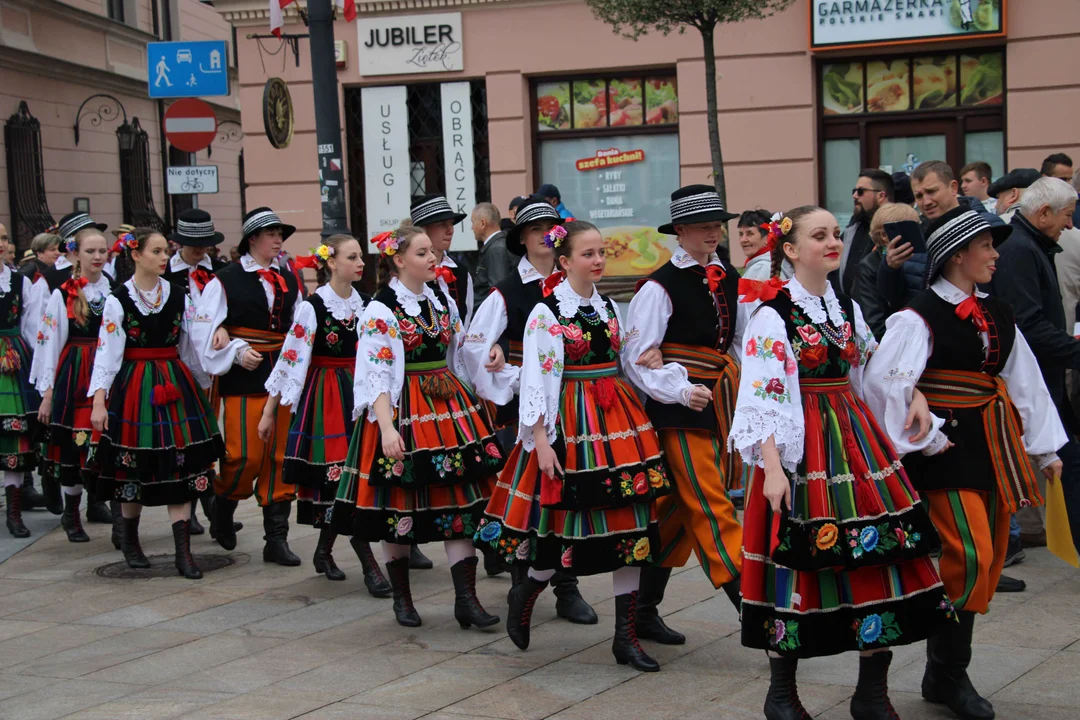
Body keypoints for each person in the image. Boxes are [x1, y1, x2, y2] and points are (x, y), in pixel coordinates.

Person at [730, 205, 954, 720]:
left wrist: (912, 393)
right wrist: (772, 468)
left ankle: (871, 694)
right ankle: (782, 694)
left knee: (876, 556)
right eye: (818, 235)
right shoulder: (774, 312)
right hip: (800, 443)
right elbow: (762, 394)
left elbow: (873, 366)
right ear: (788, 250)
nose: (832, 241)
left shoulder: (845, 306)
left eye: (835, 233)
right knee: (798, 557)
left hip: (853, 437)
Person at [865, 205, 1065, 720]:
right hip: (943, 453)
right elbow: (885, 385)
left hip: (993, 447)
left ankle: (941, 670)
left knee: (991, 559)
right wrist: (925, 434)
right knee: (970, 556)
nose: (996, 256)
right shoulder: (916, 316)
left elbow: (1024, 381)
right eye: (987, 247)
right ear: (957, 256)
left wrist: (1045, 446)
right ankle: (953, 674)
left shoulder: (997, 311)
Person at [476, 219, 671, 671]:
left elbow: (627, 361)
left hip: (617, 421)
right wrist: (541, 441)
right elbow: (538, 380)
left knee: (632, 521)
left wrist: (666, 374)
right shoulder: (547, 312)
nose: (599, 260)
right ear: (564, 262)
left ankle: (625, 638)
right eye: (588, 254)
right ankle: (529, 589)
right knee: (562, 524)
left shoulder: (607, 308)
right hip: (572, 423)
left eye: (602, 252)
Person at [334, 224, 503, 630]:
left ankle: (467, 600)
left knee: (460, 501)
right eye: (423, 252)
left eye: (433, 252)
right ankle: (403, 600)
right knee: (399, 503)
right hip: (402, 407)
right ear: (399, 259)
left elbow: (460, 349)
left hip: (449, 407)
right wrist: (388, 428)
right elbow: (375, 372)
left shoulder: (440, 297)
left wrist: (493, 354)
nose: (433, 259)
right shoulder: (381, 307)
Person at [461, 197, 598, 625]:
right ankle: (524, 580)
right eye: (534, 228)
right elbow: (473, 349)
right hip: (522, 408)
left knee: (568, 494)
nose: (543, 233)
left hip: (573, 408)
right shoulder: (507, 292)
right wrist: (510, 380)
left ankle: (566, 587)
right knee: (531, 498)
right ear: (521, 237)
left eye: (551, 227)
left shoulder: (574, 282)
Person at [622, 184, 746, 646]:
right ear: (680, 230)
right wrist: (677, 388)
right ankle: (752, 608)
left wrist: (744, 392)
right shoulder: (659, 286)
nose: (714, 231)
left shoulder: (727, 276)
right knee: (711, 502)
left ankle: (641, 612)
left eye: (718, 223)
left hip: (719, 401)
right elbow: (637, 355)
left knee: (673, 512)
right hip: (678, 411)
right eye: (704, 224)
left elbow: (738, 342)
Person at [259, 234, 392, 597]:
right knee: (338, 477)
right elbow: (290, 357)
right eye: (352, 257)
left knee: (355, 478)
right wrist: (270, 411)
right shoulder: (313, 306)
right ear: (331, 262)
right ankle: (370, 568)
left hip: (361, 393)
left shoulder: (368, 303)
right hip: (328, 398)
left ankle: (323, 550)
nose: (360, 263)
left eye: (361, 256)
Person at [88, 228, 224, 578]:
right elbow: (106, 355)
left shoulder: (179, 295)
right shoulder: (119, 299)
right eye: (157, 251)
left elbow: (193, 345)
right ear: (136, 255)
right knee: (134, 466)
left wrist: (206, 380)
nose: (165, 257)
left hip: (175, 383)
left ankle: (183, 553)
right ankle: (131, 541)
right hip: (136, 386)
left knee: (180, 466)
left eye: (167, 251)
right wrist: (99, 402)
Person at [192, 207, 303, 566]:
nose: (277, 240)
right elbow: (202, 332)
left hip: (281, 375)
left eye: (280, 234)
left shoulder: (288, 278)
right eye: (271, 233)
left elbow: (299, 326)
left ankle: (276, 539)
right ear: (252, 239)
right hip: (244, 379)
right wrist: (237, 352)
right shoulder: (224, 279)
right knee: (245, 455)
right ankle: (223, 509)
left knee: (280, 457)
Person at [989, 177, 1080, 559]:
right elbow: (1024, 322)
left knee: (1070, 458)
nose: (1071, 225)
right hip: (1033, 376)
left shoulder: (1029, 243)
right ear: (1044, 213)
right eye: (1067, 216)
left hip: (1044, 372)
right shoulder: (1020, 248)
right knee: (1068, 461)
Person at [30, 227, 113, 543]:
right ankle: (71, 513)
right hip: (76, 374)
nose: (97, 257)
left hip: (107, 373)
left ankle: (103, 505)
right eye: (90, 251)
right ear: (75, 253)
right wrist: (47, 392)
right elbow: (49, 343)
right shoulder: (62, 292)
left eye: (102, 251)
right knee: (76, 445)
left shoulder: (115, 290)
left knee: (104, 443)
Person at [163, 209, 230, 536]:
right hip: (174, 366)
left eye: (205, 243)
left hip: (212, 369)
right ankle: (189, 507)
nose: (200, 250)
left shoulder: (221, 272)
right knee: (182, 438)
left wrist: (225, 329)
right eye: (194, 244)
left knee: (209, 435)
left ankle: (211, 506)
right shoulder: (164, 273)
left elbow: (234, 310)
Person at [878, 160, 1003, 313]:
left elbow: (1007, 289)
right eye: (919, 195)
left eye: (932, 191)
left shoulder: (988, 227)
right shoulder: (916, 234)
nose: (926, 201)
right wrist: (890, 268)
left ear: (953, 187)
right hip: (928, 326)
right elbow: (895, 299)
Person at [0, 229, 42, 538]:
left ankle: (14, 514)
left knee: (15, 436)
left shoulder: (19, 281)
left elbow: (30, 326)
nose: (1, 244)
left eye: (2, 238)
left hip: (12, 360)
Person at [855, 203, 920, 340]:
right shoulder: (868, 267)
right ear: (885, 235)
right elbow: (874, 322)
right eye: (911, 228)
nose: (918, 233)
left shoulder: (918, 258)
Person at [411, 195, 474, 331]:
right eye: (442, 225)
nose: (450, 230)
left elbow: (467, 319)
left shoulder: (461, 272)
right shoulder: (411, 274)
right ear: (423, 230)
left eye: (451, 224)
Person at [840, 169, 893, 295]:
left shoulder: (893, 229)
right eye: (854, 191)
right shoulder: (852, 228)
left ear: (881, 196)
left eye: (860, 191)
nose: (855, 196)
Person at [471, 202, 515, 309]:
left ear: (482, 223)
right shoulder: (499, 245)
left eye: (473, 222)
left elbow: (498, 293)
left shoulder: (496, 249)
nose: (471, 227)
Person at [739, 209, 786, 280]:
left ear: (767, 238)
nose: (743, 240)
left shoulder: (761, 268)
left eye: (750, 234)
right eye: (741, 234)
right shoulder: (773, 263)